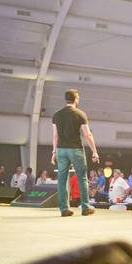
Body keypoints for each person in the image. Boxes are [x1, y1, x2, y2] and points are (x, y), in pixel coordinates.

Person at [51, 89, 99, 217]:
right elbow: (87, 134)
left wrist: (54, 152)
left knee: (62, 179)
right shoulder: (80, 114)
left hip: (61, 149)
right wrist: (94, 151)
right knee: (82, 178)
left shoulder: (56, 115)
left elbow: (55, 135)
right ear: (76, 99)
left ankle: (64, 209)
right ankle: (85, 207)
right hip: (75, 149)